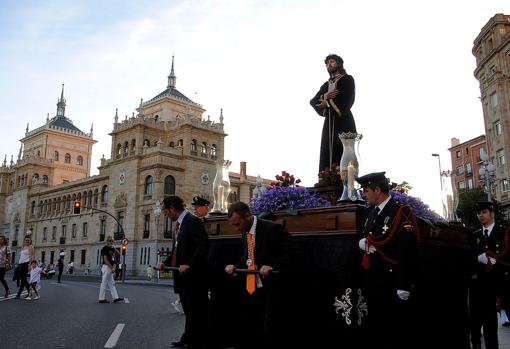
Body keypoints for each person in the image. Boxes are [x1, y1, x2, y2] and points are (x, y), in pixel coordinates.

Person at [355, 172, 419, 349]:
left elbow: (407, 250)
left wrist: (403, 284)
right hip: (372, 280)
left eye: (366, 190)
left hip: (391, 281)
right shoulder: (370, 213)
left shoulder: (400, 211)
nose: (363, 194)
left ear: (377, 190)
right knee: (375, 329)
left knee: (393, 332)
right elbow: (368, 236)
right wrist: (362, 243)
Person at [224, 201, 290, 348]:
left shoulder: (272, 229)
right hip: (251, 287)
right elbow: (247, 257)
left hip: (270, 288)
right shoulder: (245, 232)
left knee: (269, 328)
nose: (236, 229)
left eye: (237, 224)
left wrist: (273, 266)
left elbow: (290, 253)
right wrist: (234, 266)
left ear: (247, 216)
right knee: (250, 325)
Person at [156, 195, 210, 349]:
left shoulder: (192, 221)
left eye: (167, 212)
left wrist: (190, 265)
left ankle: (197, 340)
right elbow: (177, 251)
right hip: (183, 277)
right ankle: (189, 337)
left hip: (194, 277)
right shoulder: (180, 224)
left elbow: (204, 246)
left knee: (195, 310)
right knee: (189, 310)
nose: (167, 215)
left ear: (173, 209)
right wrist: (164, 263)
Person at [469, 201, 510, 349]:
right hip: (480, 284)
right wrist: (477, 259)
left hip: (499, 282)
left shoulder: (504, 232)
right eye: (479, 213)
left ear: (492, 214)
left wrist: (497, 261)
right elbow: (468, 256)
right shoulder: (475, 235)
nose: (481, 215)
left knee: (492, 321)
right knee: (481, 321)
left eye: (484, 212)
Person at [310, 53, 357, 173]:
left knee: (343, 153)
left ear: (339, 63)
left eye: (331, 61)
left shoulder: (347, 79)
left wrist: (328, 102)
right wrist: (325, 96)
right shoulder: (326, 85)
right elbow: (313, 101)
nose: (329, 64)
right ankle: (326, 179)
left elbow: (346, 100)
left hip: (344, 121)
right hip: (329, 123)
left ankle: (345, 184)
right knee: (327, 152)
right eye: (327, 63)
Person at [98, 235, 123, 304]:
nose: (111, 242)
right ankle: (101, 298)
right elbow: (105, 260)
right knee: (104, 283)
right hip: (106, 267)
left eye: (112, 241)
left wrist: (114, 249)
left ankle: (115, 297)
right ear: (107, 241)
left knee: (112, 283)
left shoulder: (111, 248)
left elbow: (118, 253)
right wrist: (112, 268)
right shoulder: (104, 249)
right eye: (109, 241)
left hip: (110, 267)